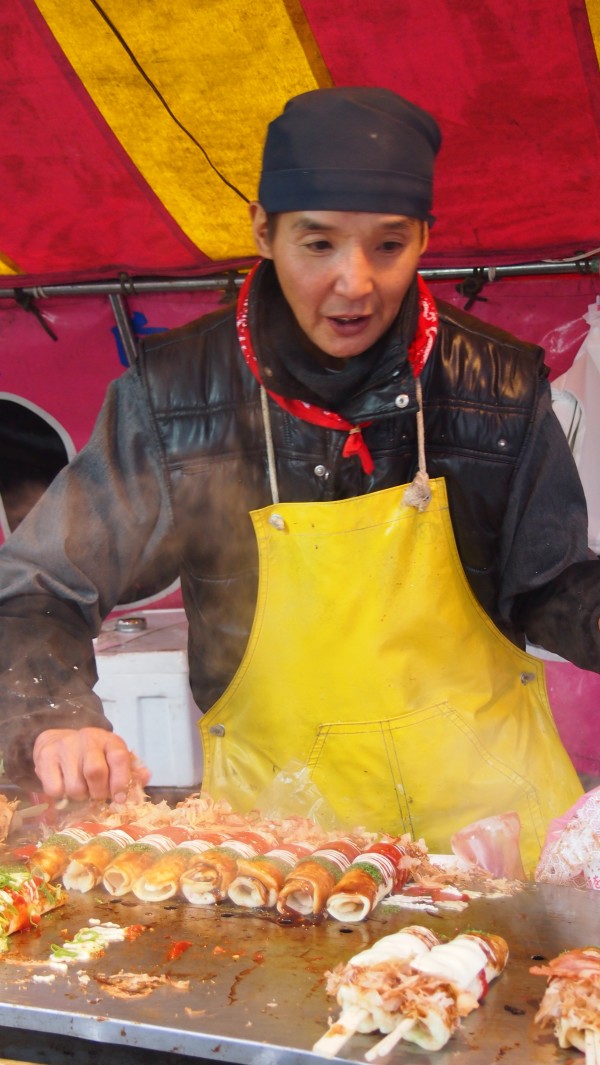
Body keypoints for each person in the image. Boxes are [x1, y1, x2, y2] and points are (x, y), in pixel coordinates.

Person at [0, 87, 598, 868]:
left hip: (493, 828)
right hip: (285, 842)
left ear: (425, 237)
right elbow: (45, 585)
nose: (355, 283)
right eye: (319, 245)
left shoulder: (501, 385)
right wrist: (55, 716)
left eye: (389, 245)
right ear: (262, 229)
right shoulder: (175, 397)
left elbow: (545, 582)